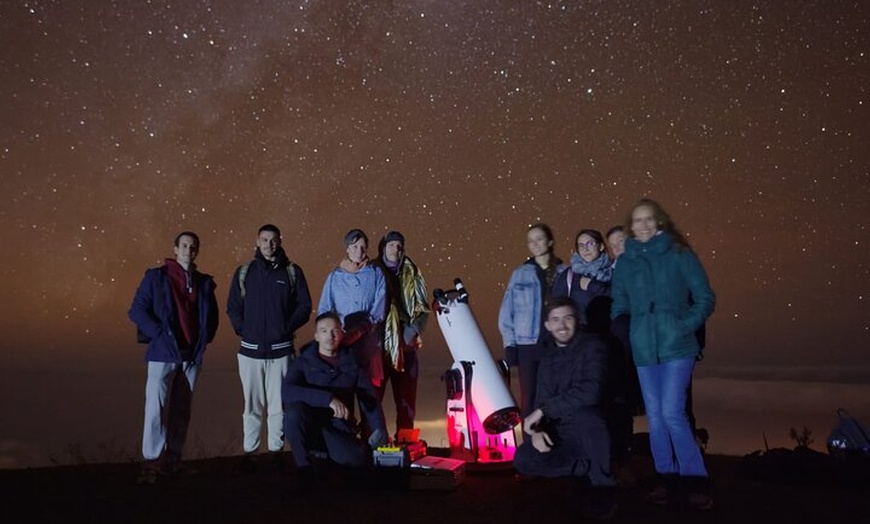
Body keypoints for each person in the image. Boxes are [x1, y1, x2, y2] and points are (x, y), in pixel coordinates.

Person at [610, 198, 716, 510]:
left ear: (660, 222)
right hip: (644, 349)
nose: (642, 225)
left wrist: (684, 325)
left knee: (672, 413)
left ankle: (696, 481)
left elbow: (705, 297)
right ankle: (666, 480)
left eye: (649, 219)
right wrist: (625, 329)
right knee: (655, 419)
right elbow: (620, 303)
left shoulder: (679, 253)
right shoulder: (627, 262)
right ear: (631, 227)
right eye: (637, 221)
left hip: (677, 346)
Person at [513, 296, 618, 519]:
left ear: (577, 320)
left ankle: (603, 487)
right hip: (561, 431)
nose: (562, 325)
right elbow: (541, 401)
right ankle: (586, 467)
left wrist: (543, 412)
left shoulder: (593, 346)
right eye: (556, 320)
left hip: (590, 429)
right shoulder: (548, 359)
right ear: (547, 325)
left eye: (568, 318)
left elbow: (591, 392)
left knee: (588, 416)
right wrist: (538, 432)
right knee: (523, 459)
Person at [128, 231, 219, 484]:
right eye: (185, 246)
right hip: (162, 353)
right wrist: (159, 335)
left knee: (181, 410)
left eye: (193, 247)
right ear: (175, 248)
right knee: (155, 409)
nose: (189, 250)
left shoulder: (203, 282)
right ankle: (152, 462)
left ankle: (173, 460)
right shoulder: (156, 277)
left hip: (190, 356)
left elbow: (211, 318)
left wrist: (203, 340)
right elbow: (136, 311)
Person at [227, 224, 312, 470]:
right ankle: (250, 453)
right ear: (257, 241)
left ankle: (276, 451)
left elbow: (305, 306)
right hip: (250, 350)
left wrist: (286, 328)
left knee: (278, 405)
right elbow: (233, 306)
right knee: (251, 405)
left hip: (281, 349)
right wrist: (243, 329)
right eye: (264, 239)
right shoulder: (245, 272)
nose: (268, 244)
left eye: (273, 240)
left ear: (280, 241)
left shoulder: (291, 271)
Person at [282, 312, 388, 485]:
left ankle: (323, 458)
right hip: (309, 423)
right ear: (316, 336)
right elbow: (288, 391)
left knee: (358, 460)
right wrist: (328, 399)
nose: (329, 336)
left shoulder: (353, 364)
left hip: (336, 427)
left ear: (342, 334)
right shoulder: (303, 362)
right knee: (293, 414)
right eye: (324, 331)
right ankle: (304, 469)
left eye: (334, 331)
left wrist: (379, 430)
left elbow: (369, 400)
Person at [498, 223, 565, 418]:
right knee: (530, 398)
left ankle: (557, 445)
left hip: (557, 344)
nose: (535, 244)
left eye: (539, 239)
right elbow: (506, 312)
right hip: (528, 346)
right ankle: (530, 445)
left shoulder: (564, 271)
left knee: (557, 395)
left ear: (550, 241)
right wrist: (510, 346)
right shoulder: (520, 274)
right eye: (531, 241)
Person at [373, 231, 430, 439]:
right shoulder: (373, 269)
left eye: (399, 246)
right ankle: (372, 444)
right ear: (383, 247)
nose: (395, 250)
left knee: (406, 402)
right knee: (374, 398)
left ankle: (405, 444)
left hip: (406, 346)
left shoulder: (412, 270)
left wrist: (413, 331)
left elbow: (423, 307)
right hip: (380, 346)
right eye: (391, 245)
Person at [317, 229, 387, 394]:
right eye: (354, 247)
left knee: (370, 394)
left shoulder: (376, 273)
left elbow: (380, 304)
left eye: (363, 247)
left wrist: (366, 325)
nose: (359, 252)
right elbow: (324, 309)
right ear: (347, 249)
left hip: (368, 339)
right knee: (344, 393)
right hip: (343, 340)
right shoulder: (335, 276)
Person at [551, 229, 613, 328]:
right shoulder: (568, 276)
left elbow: (618, 298)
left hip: (609, 333)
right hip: (581, 335)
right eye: (581, 246)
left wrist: (592, 286)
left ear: (601, 246)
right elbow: (556, 307)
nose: (586, 249)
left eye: (590, 244)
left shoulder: (612, 271)